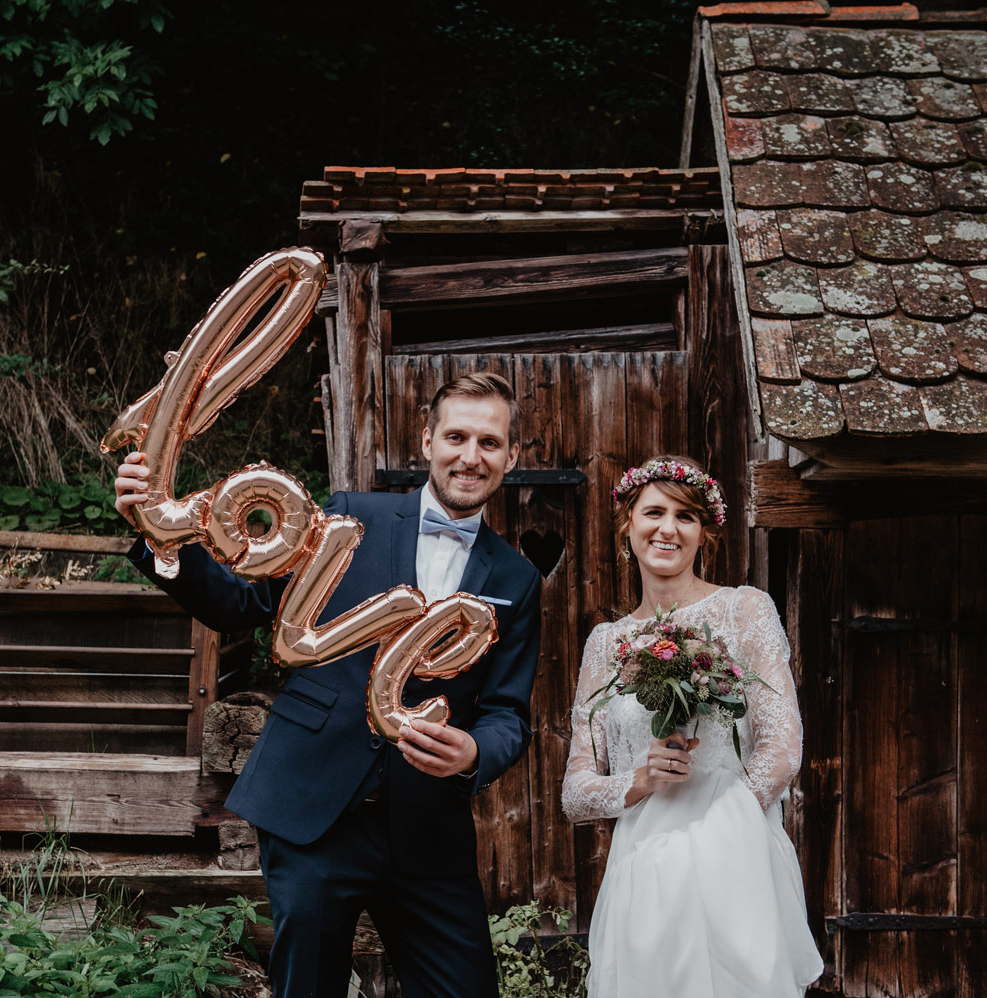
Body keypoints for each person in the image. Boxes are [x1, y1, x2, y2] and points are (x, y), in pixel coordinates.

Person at [113, 372, 542, 998]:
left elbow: (508, 712)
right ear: (426, 441)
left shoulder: (517, 578)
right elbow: (243, 605)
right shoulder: (347, 515)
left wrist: (476, 752)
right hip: (313, 808)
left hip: (427, 834)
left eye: (489, 442)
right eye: (456, 436)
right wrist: (161, 539)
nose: (470, 457)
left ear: (509, 456)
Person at [561, 454, 824, 997]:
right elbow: (577, 793)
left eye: (686, 516)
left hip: (734, 856)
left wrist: (711, 844)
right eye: (653, 512)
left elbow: (780, 749)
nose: (668, 528)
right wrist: (640, 779)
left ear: (704, 533)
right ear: (627, 524)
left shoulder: (745, 610)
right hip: (643, 869)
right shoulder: (605, 644)